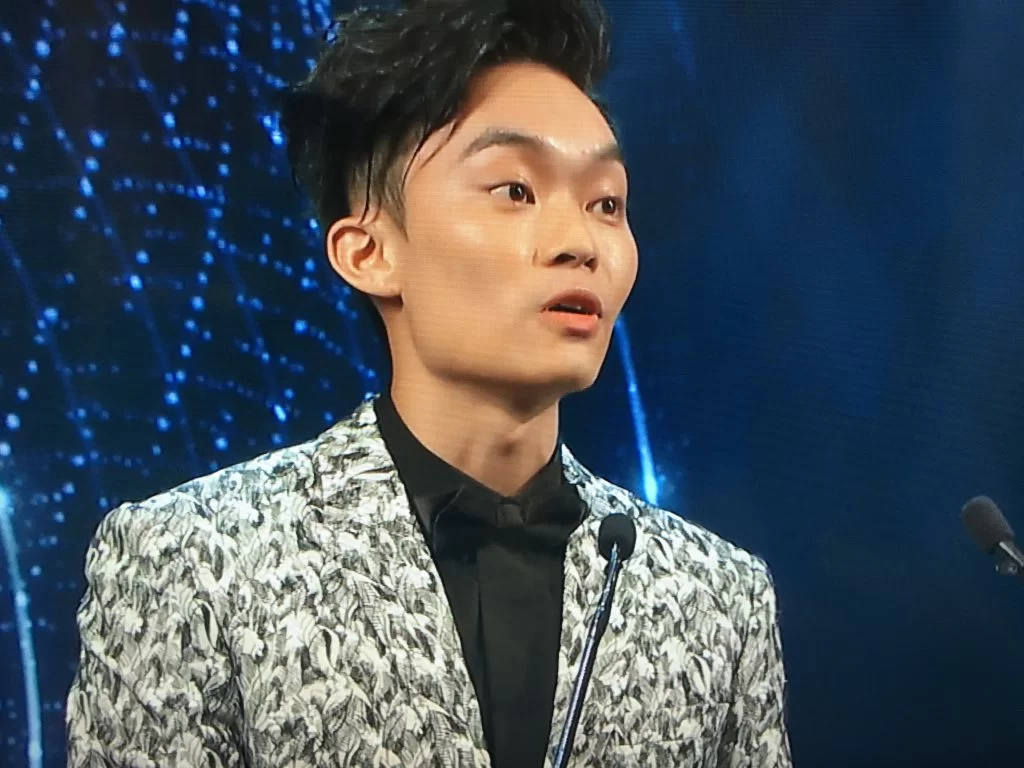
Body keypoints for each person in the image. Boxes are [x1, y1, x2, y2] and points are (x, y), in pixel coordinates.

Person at [65, 1, 792, 765]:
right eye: (516, 190)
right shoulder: (192, 561)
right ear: (369, 252)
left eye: (606, 203)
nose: (581, 242)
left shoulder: (717, 596)